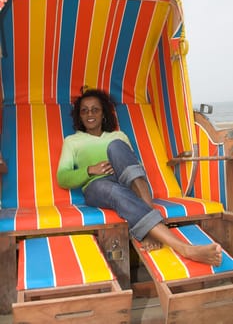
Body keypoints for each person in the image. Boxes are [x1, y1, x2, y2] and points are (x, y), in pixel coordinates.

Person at [57, 88, 222, 266]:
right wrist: (90, 170)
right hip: (98, 187)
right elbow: (63, 177)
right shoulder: (72, 141)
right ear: (79, 116)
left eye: (95, 109)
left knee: (116, 147)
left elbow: (132, 168)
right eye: (84, 110)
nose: (90, 114)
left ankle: (150, 226)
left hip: (127, 183)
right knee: (114, 190)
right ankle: (185, 248)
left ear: (103, 113)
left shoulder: (118, 136)